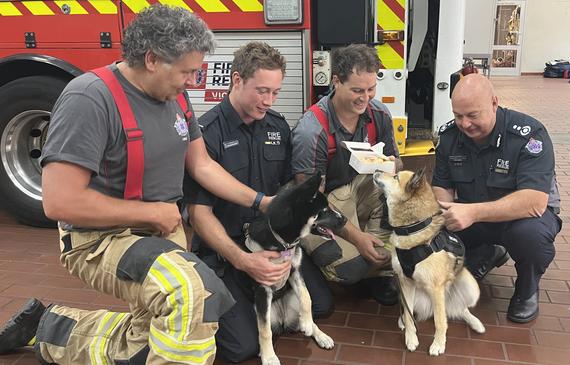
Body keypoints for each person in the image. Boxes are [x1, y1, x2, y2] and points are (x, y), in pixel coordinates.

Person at [0, 5, 276, 364]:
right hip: (100, 241)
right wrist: (152, 212)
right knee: (192, 295)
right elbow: (59, 203)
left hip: (161, 231)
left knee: (151, 342)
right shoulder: (89, 99)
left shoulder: (176, 95)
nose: (192, 81)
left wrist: (262, 202)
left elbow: (202, 165)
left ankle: (50, 327)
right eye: (187, 71)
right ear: (151, 59)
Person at [182, 41, 333, 363]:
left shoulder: (277, 126)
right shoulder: (206, 134)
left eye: (275, 92)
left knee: (321, 307)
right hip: (229, 249)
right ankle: (243, 302)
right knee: (242, 349)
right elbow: (198, 214)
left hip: (273, 243)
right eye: (262, 91)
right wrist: (243, 260)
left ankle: (262, 305)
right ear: (237, 80)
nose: (269, 101)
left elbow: (289, 192)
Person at [432, 73, 562, 323]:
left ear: (494, 103)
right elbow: (442, 186)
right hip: (475, 218)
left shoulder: (529, 135)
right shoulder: (450, 137)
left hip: (522, 219)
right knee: (434, 232)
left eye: (473, 115)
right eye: (458, 115)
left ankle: (527, 289)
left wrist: (472, 213)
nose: (465, 124)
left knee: (530, 237)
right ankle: (487, 251)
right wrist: (445, 211)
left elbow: (534, 202)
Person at [291, 44, 402, 306]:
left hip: (360, 196)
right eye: (357, 90)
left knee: (393, 191)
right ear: (336, 82)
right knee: (349, 271)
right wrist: (358, 239)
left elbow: (398, 163)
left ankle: (377, 272)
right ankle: (309, 253)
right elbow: (311, 200)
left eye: (371, 89)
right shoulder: (312, 131)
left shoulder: (379, 115)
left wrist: (388, 164)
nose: (366, 98)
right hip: (322, 208)